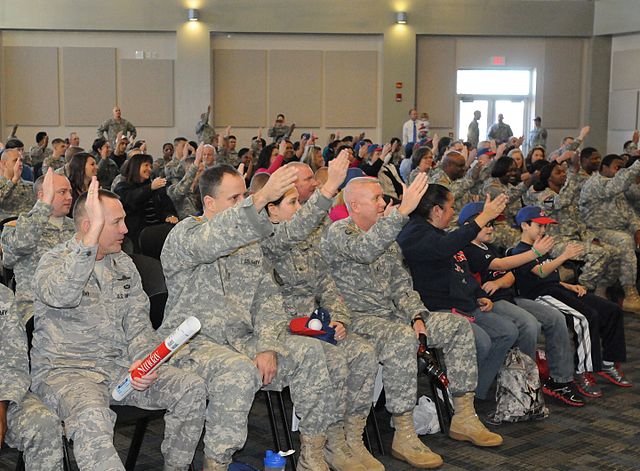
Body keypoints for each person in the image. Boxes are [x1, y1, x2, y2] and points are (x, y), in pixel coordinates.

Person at [160, 165, 343, 471]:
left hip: (243, 339)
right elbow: (213, 239)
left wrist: (267, 345)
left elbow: (268, 298)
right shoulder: (185, 236)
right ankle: (217, 463)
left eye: (244, 196)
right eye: (234, 198)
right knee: (238, 372)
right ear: (209, 203)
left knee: (312, 353)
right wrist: (259, 200)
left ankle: (313, 456)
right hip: (192, 345)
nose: (243, 203)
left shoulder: (248, 243)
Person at [322, 175, 503, 469]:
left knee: (457, 327)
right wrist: (402, 213)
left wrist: (416, 316)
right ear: (354, 205)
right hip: (358, 319)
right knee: (400, 339)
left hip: (394, 317)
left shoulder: (388, 238)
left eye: (384, 198)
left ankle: (464, 415)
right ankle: (403, 432)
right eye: (377, 199)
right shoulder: (339, 233)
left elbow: (403, 287)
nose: (384, 203)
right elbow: (366, 250)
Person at [30, 181, 206, 470]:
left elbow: (138, 323)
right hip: (67, 373)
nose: (125, 229)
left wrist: (143, 363)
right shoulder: (53, 262)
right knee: (93, 419)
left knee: (191, 387)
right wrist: (88, 244)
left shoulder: (122, 264)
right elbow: (61, 294)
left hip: (119, 369)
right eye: (116, 222)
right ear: (90, 226)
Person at [262, 154, 381, 471]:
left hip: (318, 325)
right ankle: (315, 451)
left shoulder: (308, 240)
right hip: (285, 331)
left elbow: (327, 285)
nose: (299, 210)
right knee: (328, 356)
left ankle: (348, 441)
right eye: (292, 204)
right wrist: (329, 188)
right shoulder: (266, 240)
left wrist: (340, 318)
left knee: (362, 351)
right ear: (271, 210)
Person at [397, 185, 522, 401]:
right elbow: (444, 247)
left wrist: (478, 294)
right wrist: (483, 218)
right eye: (451, 207)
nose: (453, 212)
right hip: (436, 306)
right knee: (481, 342)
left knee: (508, 331)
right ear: (437, 210)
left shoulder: (436, 232)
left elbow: (458, 270)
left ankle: (474, 395)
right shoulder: (414, 232)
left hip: (463, 300)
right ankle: (456, 397)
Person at [458, 202, 584, 406]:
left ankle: (561, 380)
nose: (491, 227)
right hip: (493, 301)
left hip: (509, 296)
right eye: (486, 223)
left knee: (556, 318)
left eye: (492, 223)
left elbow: (509, 276)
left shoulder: (489, 246)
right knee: (529, 324)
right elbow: (502, 266)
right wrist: (540, 254)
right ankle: (525, 382)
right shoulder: (468, 249)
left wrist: (499, 281)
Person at [511, 205, 631, 394]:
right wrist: (564, 256)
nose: (543, 230)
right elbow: (540, 273)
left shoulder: (541, 248)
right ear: (524, 226)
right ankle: (582, 371)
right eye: (539, 226)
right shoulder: (519, 251)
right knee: (584, 318)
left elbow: (551, 276)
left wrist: (569, 285)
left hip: (557, 289)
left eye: (545, 227)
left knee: (611, 310)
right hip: (540, 296)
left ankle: (608, 362)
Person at [527, 160, 625, 303]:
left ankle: (601, 289)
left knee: (615, 252)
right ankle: (582, 290)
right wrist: (573, 173)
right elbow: (560, 202)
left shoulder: (567, 195)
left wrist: (591, 239)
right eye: (558, 172)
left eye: (564, 171)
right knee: (600, 254)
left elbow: (579, 223)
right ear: (549, 178)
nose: (563, 174)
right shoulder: (544, 196)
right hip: (555, 242)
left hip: (575, 240)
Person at [0, 283, 64, 470]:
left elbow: (14, 362)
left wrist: (1, 405)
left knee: (43, 423)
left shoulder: (2, 296)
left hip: (5, 392)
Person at [1, 169, 75, 323]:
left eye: (70, 192)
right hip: (36, 307)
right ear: (42, 195)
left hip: (74, 305)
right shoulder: (18, 227)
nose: (69, 197)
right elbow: (14, 253)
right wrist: (44, 206)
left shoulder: (77, 228)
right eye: (62, 192)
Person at [579, 154, 640, 311]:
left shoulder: (617, 187)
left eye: (622, 168)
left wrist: (637, 228)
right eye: (616, 167)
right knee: (625, 241)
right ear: (604, 168)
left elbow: (629, 212)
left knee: (628, 237)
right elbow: (618, 184)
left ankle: (605, 290)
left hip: (617, 229)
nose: (619, 171)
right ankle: (629, 293)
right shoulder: (596, 183)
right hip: (595, 230)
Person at [114, 153, 178, 250]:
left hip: (158, 232)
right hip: (137, 236)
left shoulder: (155, 187)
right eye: (146, 165)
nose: (149, 169)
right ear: (136, 167)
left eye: (151, 166)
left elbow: (167, 206)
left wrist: (170, 215)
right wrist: (150, 188)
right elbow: (131, 199)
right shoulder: (123, 187)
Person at [0, 148, 35, 219]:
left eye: (21, 160)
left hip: (29, 225)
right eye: (15, 160)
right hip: (6, 225)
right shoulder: (1, 185)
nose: (20, 164)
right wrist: (13, 181)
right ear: (3, 163)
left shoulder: (30, 185)